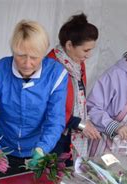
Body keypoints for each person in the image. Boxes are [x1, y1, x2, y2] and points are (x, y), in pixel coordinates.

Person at [0, 20, 67, 176]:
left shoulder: (56, 74)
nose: (27, 63)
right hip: (2, 149)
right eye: (20, 56)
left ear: (44, 53)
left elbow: (56, 120)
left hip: (38, 149)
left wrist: (42, 148)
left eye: (34, 57)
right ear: (12, 50)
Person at [48, 13, 101, 163]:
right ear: (69, 45)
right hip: (52, 135)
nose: (89, 55)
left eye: (91, 50)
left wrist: (84, 121)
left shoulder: (77, 63)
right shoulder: (50, 66)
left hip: (70, 132)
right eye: (86, 50)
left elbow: (79, 100)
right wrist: (80, 123)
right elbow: (47, 107)